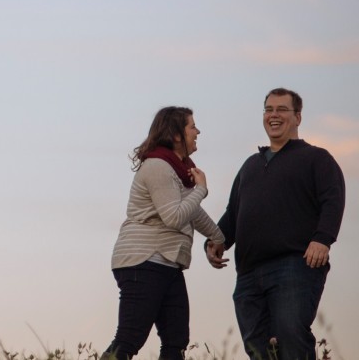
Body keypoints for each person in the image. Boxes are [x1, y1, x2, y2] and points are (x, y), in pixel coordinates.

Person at [207, 88, 346, 360]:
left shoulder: (317, 158)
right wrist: (216, 240)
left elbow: (333, 199)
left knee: (291, 338)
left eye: (282, 109)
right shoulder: (250, 165)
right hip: (247, 273)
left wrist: (323, 238)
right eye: (268, 109)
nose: (274, 115)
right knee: (258, 348)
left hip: (294, 266)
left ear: (298, 117)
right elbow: (234, 213)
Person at [103, 106, 224, 360]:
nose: (198, 131)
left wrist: (218, 237)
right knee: (129, 338)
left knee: (176, 341)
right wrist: (201, 190)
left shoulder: (178, 170)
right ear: (177, 135)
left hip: (166, 264)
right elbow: (174, 217)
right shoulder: (158, 166)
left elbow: (190, 212)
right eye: (192, 126)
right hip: (144, 262)